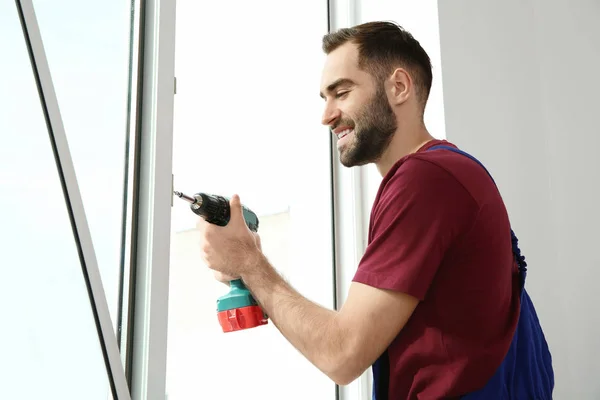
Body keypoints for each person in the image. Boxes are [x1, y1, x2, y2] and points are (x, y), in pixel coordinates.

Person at [196, 21, 551, 399]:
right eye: (324, 98)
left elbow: (342, 354)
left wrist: (249, 263)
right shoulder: (449, 171)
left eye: (342, 92)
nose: (327, 115)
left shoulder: (427, 180)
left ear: (398, 87)